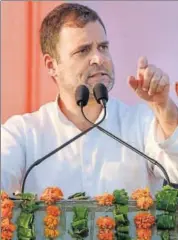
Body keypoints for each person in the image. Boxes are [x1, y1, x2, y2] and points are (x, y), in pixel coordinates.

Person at [1, 3, 178, 198]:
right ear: (51, 65)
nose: (98, 59)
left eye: (103, 47)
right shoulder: (24, 134)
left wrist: (164, 108)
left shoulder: (140, 122)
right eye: (83, 50)